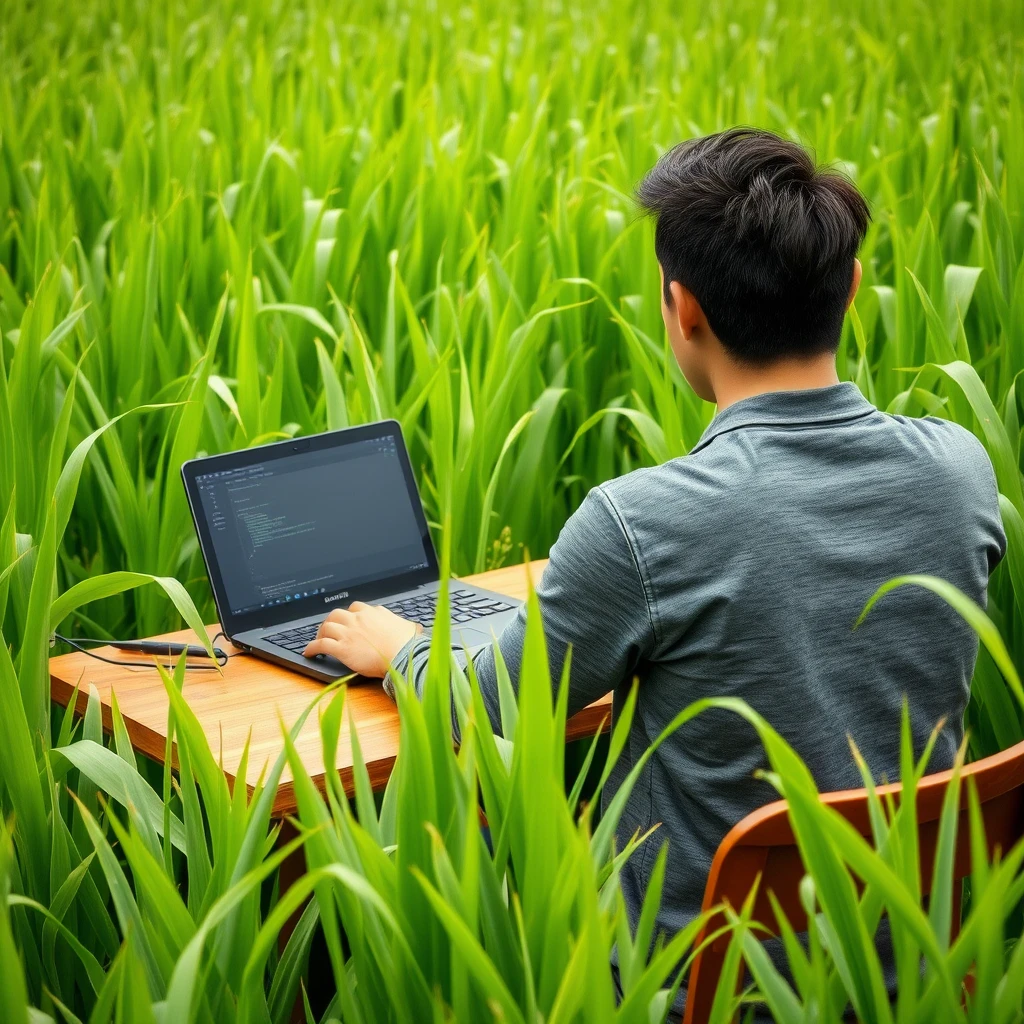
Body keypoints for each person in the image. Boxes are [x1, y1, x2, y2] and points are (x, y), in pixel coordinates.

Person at [303, 127, 1006, 1016]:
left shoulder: (639, 522)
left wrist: (399, 646)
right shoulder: (958, 469)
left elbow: (488, 703)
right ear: (853, 288)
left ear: (683, 310)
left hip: (689, 989)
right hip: (915, 966)